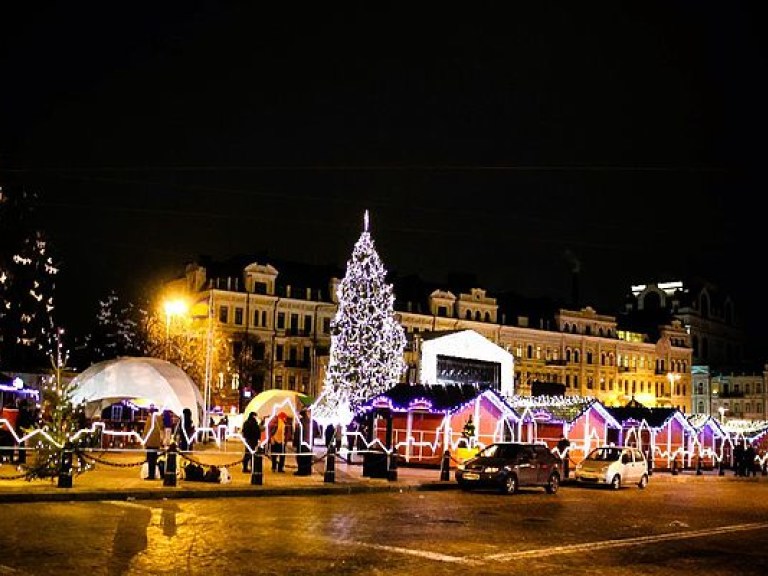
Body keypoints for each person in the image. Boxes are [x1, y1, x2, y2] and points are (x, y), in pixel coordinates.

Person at [142, 408, 165, 480]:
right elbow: (162, 428)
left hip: (149, 442)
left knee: (150, 459)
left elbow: (146, 431)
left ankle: (151, 475)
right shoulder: (160, 419)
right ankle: (152, 474)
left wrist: (144, 441)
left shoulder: (150, 419)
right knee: (154, 460)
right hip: (156, 442)